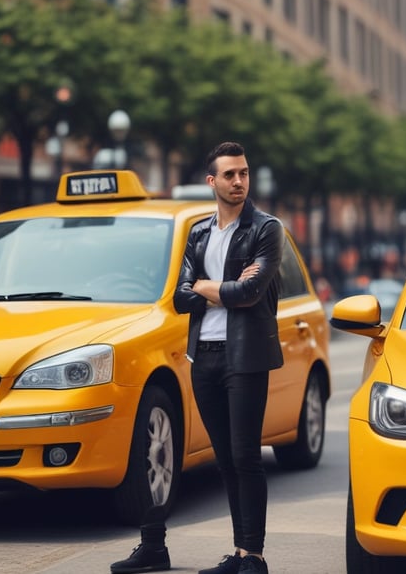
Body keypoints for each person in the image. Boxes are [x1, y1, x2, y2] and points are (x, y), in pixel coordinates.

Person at [110, 142, 283, 574]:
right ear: (213, 181)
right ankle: (239, 552)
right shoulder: (200, 233)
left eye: (243, 173)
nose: (239, 181)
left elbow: (249, 292)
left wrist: (208, 286)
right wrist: (217, 288)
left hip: (245, 357)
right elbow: (181, 297)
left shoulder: (265, 228)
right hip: (203, 357)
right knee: (224, 459)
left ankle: (254, 557)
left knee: (246, 456)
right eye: (229, 175)